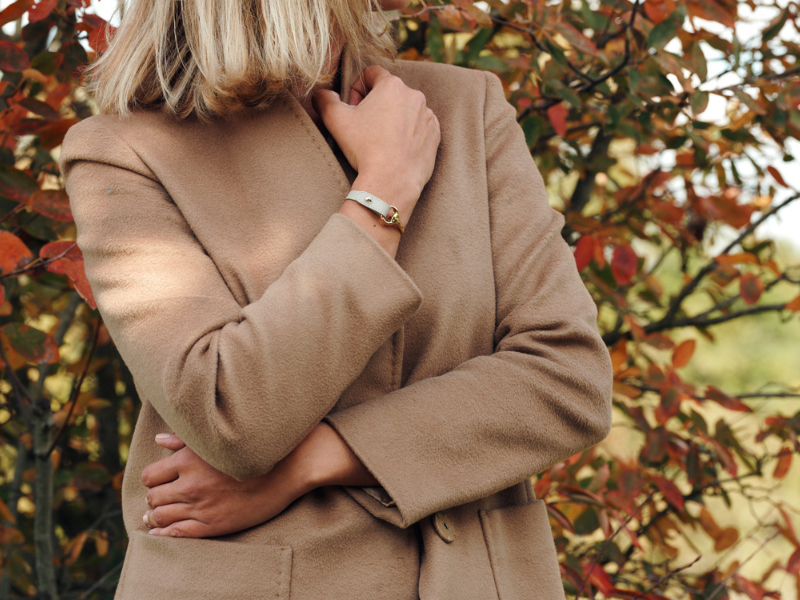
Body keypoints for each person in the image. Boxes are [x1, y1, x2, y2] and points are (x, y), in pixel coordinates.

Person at [58, 0, 615, 597]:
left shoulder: (461, 106)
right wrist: (385, 187)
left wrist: (311, 462)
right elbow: (228, 411)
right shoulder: (122, 150)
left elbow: (570, 379)